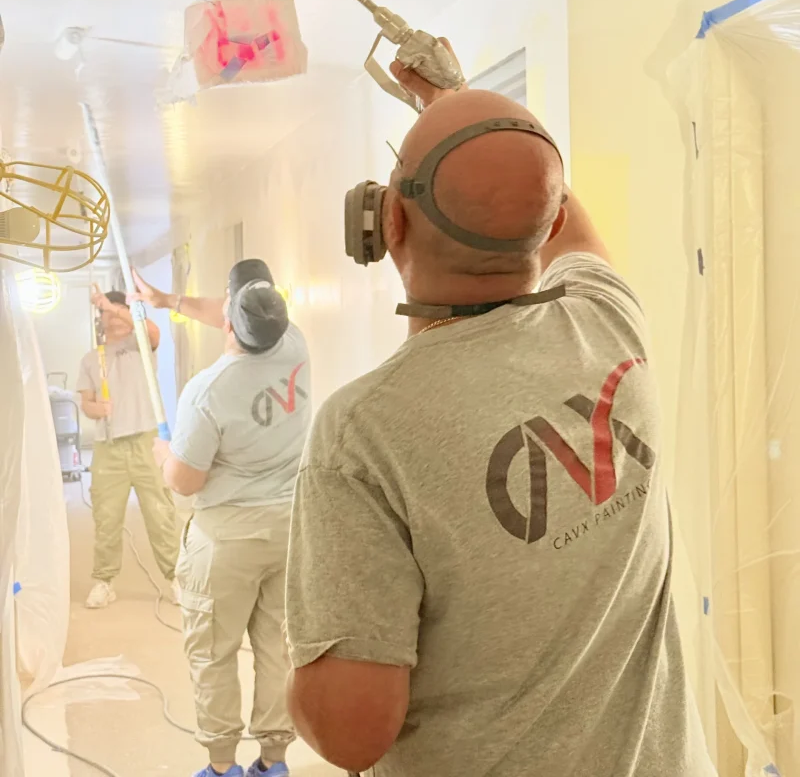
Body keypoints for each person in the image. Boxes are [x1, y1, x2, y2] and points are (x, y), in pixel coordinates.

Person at [283, 46, 717, 776]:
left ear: (384, 220)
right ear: (545, 232)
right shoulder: (606, 317)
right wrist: (456, 99)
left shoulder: (364, 432)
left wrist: (297, 650)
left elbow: (352, 734)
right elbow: (559, 212)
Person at [140, 260, 312, 777]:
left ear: (229, 325)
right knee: (278, 648)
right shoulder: (295, 343)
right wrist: (170, 301)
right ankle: (274, 762)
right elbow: (235, 312)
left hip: (227, 538)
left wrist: (164, 454)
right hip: (290, 528)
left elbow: (185, 481)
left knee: (213, 652)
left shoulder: (207, 390)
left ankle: (220, 768)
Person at [77, 287, 180, 610]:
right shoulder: (92, 359)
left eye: (118, 311)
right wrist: (97, 410)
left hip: (145, 441)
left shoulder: (140, 345)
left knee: (160, 514)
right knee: (106, 517)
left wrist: (115, 306)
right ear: (101, 320)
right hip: (108, 448)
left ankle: (176, 578)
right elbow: (86, 404)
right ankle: (104, 581)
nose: (114, 317)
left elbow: (152, 330)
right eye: (107, 312)